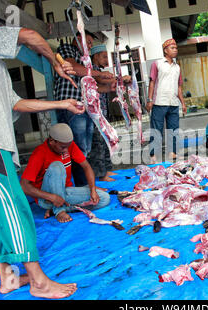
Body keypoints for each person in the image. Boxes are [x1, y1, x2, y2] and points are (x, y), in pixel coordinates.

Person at [0, 22, 81, 298]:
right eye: (5, 31)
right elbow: (31, 35)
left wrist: (62, 104)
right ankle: (38, 281)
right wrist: (55, 62)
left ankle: (7, 277)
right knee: (13, 204)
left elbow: (18, 104)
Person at [53, 30, 115, 187]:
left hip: (85, 107)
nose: (89, 45)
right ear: (77, 38)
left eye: (90, 44)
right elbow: (72, 67)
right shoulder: (67, 49)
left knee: (86, 148)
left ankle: (88, 183)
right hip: (71, 105)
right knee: (79, 147)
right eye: (87, 42)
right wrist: (97, 74)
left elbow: (97, 87)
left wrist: (113, 86)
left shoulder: (85, 62)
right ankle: (83, 185)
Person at [20, 123, 110, 223]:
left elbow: (87, 167)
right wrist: (52, 197)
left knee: (104, 198)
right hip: (47, 198)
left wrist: (92, 189)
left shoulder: (68, 145)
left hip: (66, 192)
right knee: (57, 166)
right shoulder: (39, 153)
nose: (66, 150)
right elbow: (24, 186)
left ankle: (59, 208)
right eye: (63, 147)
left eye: (68, 146)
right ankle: (59, 211)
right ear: (52, 141)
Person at [88, 44, 131, 182]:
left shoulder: (101, 71)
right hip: (95, 115)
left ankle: (106, 169)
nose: (107, 59)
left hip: (103, 114)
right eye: (104, 56)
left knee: (106, 141)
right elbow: (101, 80)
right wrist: (120, 79)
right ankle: (101, 174)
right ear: (95, 56)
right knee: (98, 144)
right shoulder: (92, 71)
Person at [146, 38, 187, 163]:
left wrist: (183, 103)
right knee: (156, 129)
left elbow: (179, 86)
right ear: (165, 50)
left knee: (173, 129)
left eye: (176, 48)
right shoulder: (157, 64)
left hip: (173, 103)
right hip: (159, 101)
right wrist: (149, 99)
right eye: (172, 48)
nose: (175, 50)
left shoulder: (177, 67)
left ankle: (173, 152)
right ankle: (153, 154)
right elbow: (152, 82)